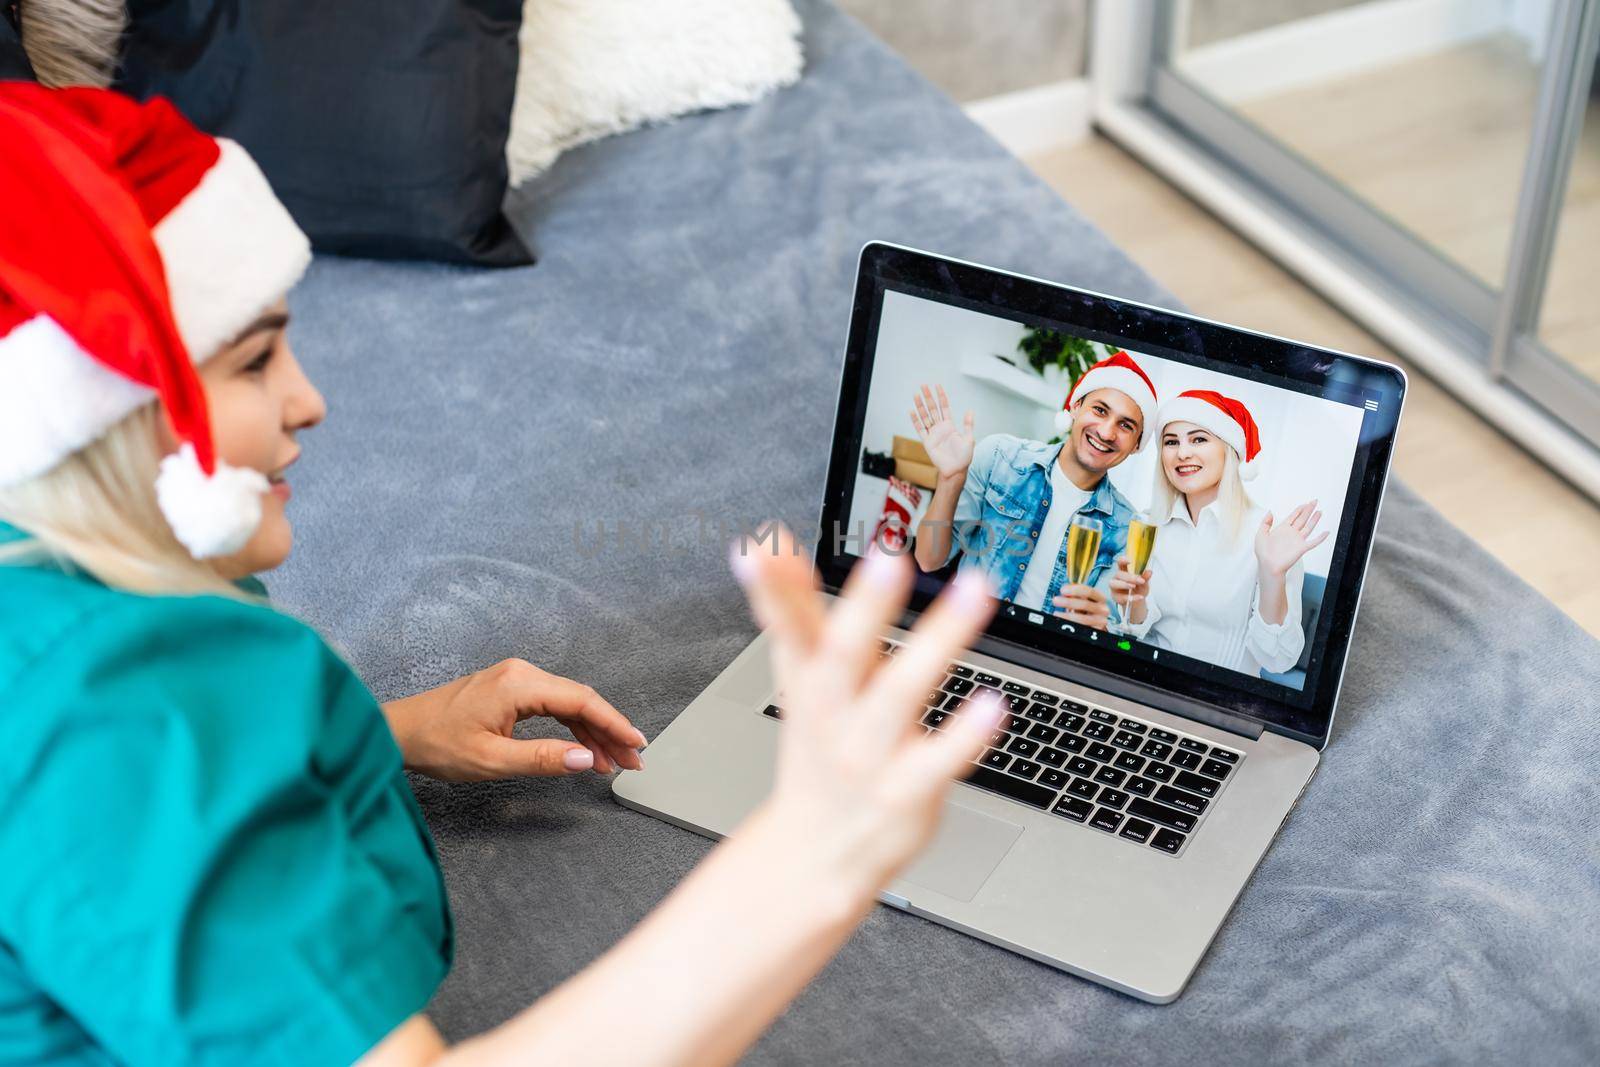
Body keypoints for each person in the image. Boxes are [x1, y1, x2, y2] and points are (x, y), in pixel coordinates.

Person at [0, 85, 1005, 1066]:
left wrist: (376, 733)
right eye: (256, 361)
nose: (306, 400)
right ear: (102, 413)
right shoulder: (125, 711)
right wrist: (816, 853)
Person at [907, 351, 1157, 631]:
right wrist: (950, 478)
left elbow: (1110, 628)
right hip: (961, 633)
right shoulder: (999, 456)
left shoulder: (1127, 528)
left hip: (1048, 658)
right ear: (1075, 407)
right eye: (1099, 410)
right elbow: (928, 560)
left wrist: (1103, 627)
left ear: (1137, 445)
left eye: (1126, 425)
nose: (1107, 432)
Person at [1111, 389, 1327, 678]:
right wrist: (1134, 602)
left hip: (1220, 703)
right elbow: (1131, 636)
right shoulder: (1147, 525)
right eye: (1171, 442)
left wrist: (1272, 575)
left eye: (1199, 439)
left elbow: (1277, 661)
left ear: (1229, 450)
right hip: (1142, 681)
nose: (1182, 453)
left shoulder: (1268, 536)